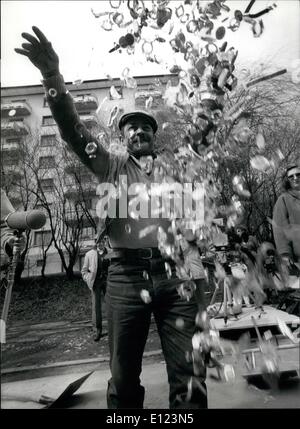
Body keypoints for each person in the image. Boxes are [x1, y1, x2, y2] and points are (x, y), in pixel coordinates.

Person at [15, 27, 207, 409]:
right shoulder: (110, 166)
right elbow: (72, 129)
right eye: (130, 126)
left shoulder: (177, 172)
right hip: (125, 276)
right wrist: (53, 78)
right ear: (123, 138)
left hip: (176, 276)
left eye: (145, 126)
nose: (138, 130)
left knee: (190, 374)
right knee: (122, 376)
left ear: (154, 136)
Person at [272, 164, 300, 270]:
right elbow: (279, 228)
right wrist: (285, 253)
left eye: (298, 174)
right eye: (291, 176)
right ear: (287, 180)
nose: (295, 178)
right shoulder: (283, 199)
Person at [81, 239, 108, 341]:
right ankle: (97, 331)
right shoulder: (89, 254)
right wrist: (88, 279)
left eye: (102, 241)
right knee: (96, 307)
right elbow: (84, 271)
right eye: (98, 242)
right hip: (96, 283)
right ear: (95, 243)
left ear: (104, 242)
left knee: (112, 304)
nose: (100, 243)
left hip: (108, 282)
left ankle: (115, 328)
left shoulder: (110, 252)